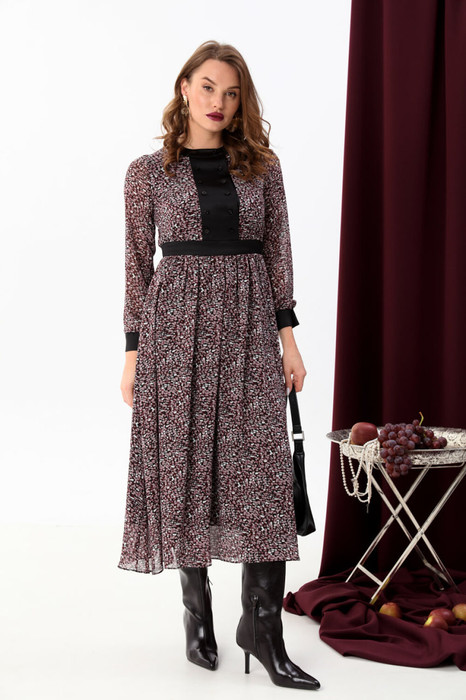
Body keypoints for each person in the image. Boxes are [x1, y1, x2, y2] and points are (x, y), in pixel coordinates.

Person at [118, 40, 320, 691]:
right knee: (187, 467)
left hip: (251, 326)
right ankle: (197, 613)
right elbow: (136, 265)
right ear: (184, 88)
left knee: (261, 473)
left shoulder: (264, 168)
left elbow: (278, 254)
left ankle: (262, 628)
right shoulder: (146, 173)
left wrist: (289, 341)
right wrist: (133, 353)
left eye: (231, 93)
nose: (218, 102)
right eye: (207, 87)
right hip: (174, 331)